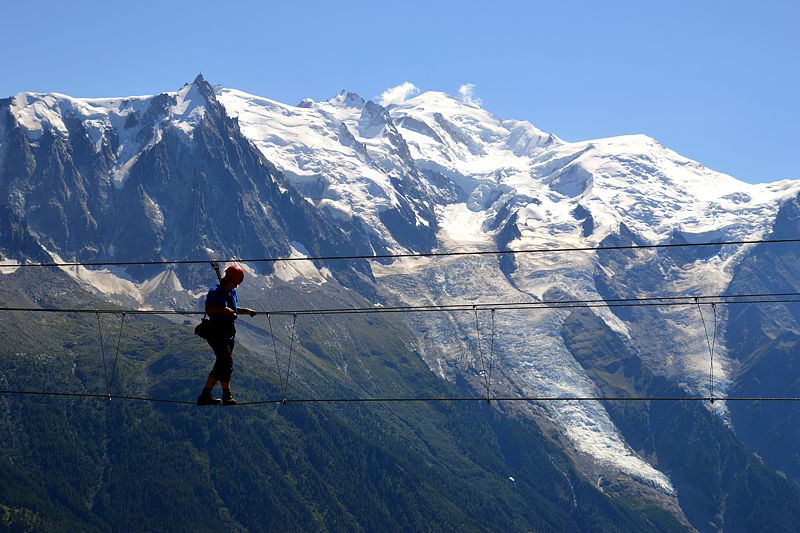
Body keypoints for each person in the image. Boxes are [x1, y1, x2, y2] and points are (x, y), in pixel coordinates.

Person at [197, 264, 257, 406]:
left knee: (221, 364)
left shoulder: (232, 292)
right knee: (227, 363)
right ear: (228, 279)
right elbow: (209, 308)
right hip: (216, 332)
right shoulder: (215, 292)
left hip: (228, 333)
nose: (236, 285)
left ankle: (206, 395)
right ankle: (226, 395)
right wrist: (223, 310)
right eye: (235, 283)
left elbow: (233, 309)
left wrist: (246, 310)